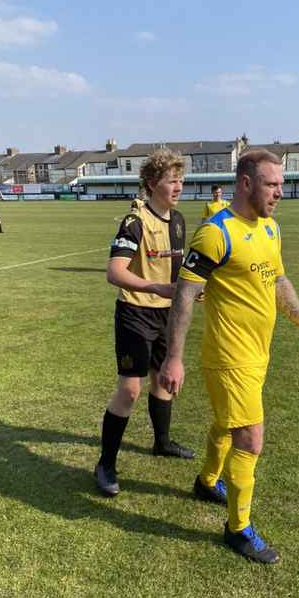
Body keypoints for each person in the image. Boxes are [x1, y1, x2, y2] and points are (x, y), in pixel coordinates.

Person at [159, 149, 299, 564]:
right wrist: (172, 358)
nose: (279, 193)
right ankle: (237, 530)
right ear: (246, 183)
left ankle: (206, 481)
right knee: (250, 439)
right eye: (272, 184)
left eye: (281, 185)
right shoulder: (216, 233)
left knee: (225, 423)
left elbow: (278, 279)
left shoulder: (270, 229)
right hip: (229, 357)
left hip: (258, 353)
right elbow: (184, 295)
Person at [95, 149, 195, 498]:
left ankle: (162, 442)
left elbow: (178, 272)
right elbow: (114, 272)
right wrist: (156, 287)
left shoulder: (179, 221)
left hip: (167, 315)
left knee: (164, 381)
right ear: (152, 183)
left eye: (181, 179)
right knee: (130, 389)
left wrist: (188, 291)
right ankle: (106, 463)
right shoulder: (134, 222)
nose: (178, 186)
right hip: (135, 313)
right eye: (172, 180)